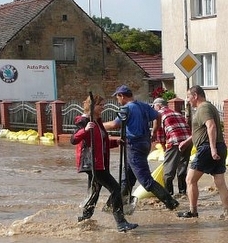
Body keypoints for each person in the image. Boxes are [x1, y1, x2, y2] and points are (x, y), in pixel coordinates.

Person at [103, 85, 179, 213]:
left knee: (146, 181)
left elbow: (115, 125)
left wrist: (98, 125)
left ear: (122, 96)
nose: (118, 101)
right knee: (126, 179)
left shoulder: (126, 108)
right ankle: (112, 206)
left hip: (134, 146)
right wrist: (154, 131)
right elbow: (158, 116)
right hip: (144, 144)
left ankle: (171, 203)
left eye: (117, 98)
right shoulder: (143, 105)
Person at [71, 94, 138, 232]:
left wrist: (115, 142)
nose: (103, 107)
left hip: (100, 163)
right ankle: (121, 222)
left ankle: (84, 220)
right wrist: (85, 130)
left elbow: (101, 142)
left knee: (95, 192)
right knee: (116, 189)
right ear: (92, 106)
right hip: (91, 163)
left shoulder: (98, 121)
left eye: (103, 104)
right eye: (100, 105)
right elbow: (73, 139)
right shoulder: (83, 121)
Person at [177, 85, 228, 219]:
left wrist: (212, 149)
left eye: (189, 97)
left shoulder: (203, 108)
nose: (188, 100)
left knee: (190, 180)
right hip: (219, 146)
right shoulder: (210, 106)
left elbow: (211, 126)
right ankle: (226, 213)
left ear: (195, 96)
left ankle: (193, 211)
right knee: (220, 182)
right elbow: (201, 131)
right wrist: (188, 141)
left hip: (207, 148)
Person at [152, 97, 191, 196]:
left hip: (175, 142)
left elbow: (160, 133)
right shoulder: (177, 113)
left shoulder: (158, 114)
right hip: (188, 141)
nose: (153, 109)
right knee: (182, 168)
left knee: (168, 171)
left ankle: (168, 196)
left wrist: (164, 148)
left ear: (159, 106)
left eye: (154, 107)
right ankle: (183, 192)